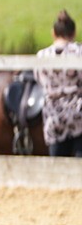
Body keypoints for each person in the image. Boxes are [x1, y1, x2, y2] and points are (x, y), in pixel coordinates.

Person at [34, 11, 82, 157]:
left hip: (53, 118)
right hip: (79, 117)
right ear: (74, 33)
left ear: (53, 33)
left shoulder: (41, 56)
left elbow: (38, 80)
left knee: (57, 165)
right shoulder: (79, 52)